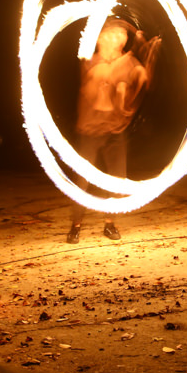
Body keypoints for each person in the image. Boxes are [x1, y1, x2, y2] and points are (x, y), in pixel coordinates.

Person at [66, 17, 160, 244]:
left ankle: (110, 225)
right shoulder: (90, 61)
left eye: (121, 35)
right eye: (111, 34)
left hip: (116, 132)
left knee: (117, 179)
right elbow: (92, 87)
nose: (117, 39)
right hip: (90, 130)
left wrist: (148, 61)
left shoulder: (129, 63)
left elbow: (142, 80)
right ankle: (75, 226)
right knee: (82, 180)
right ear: (100, 39)